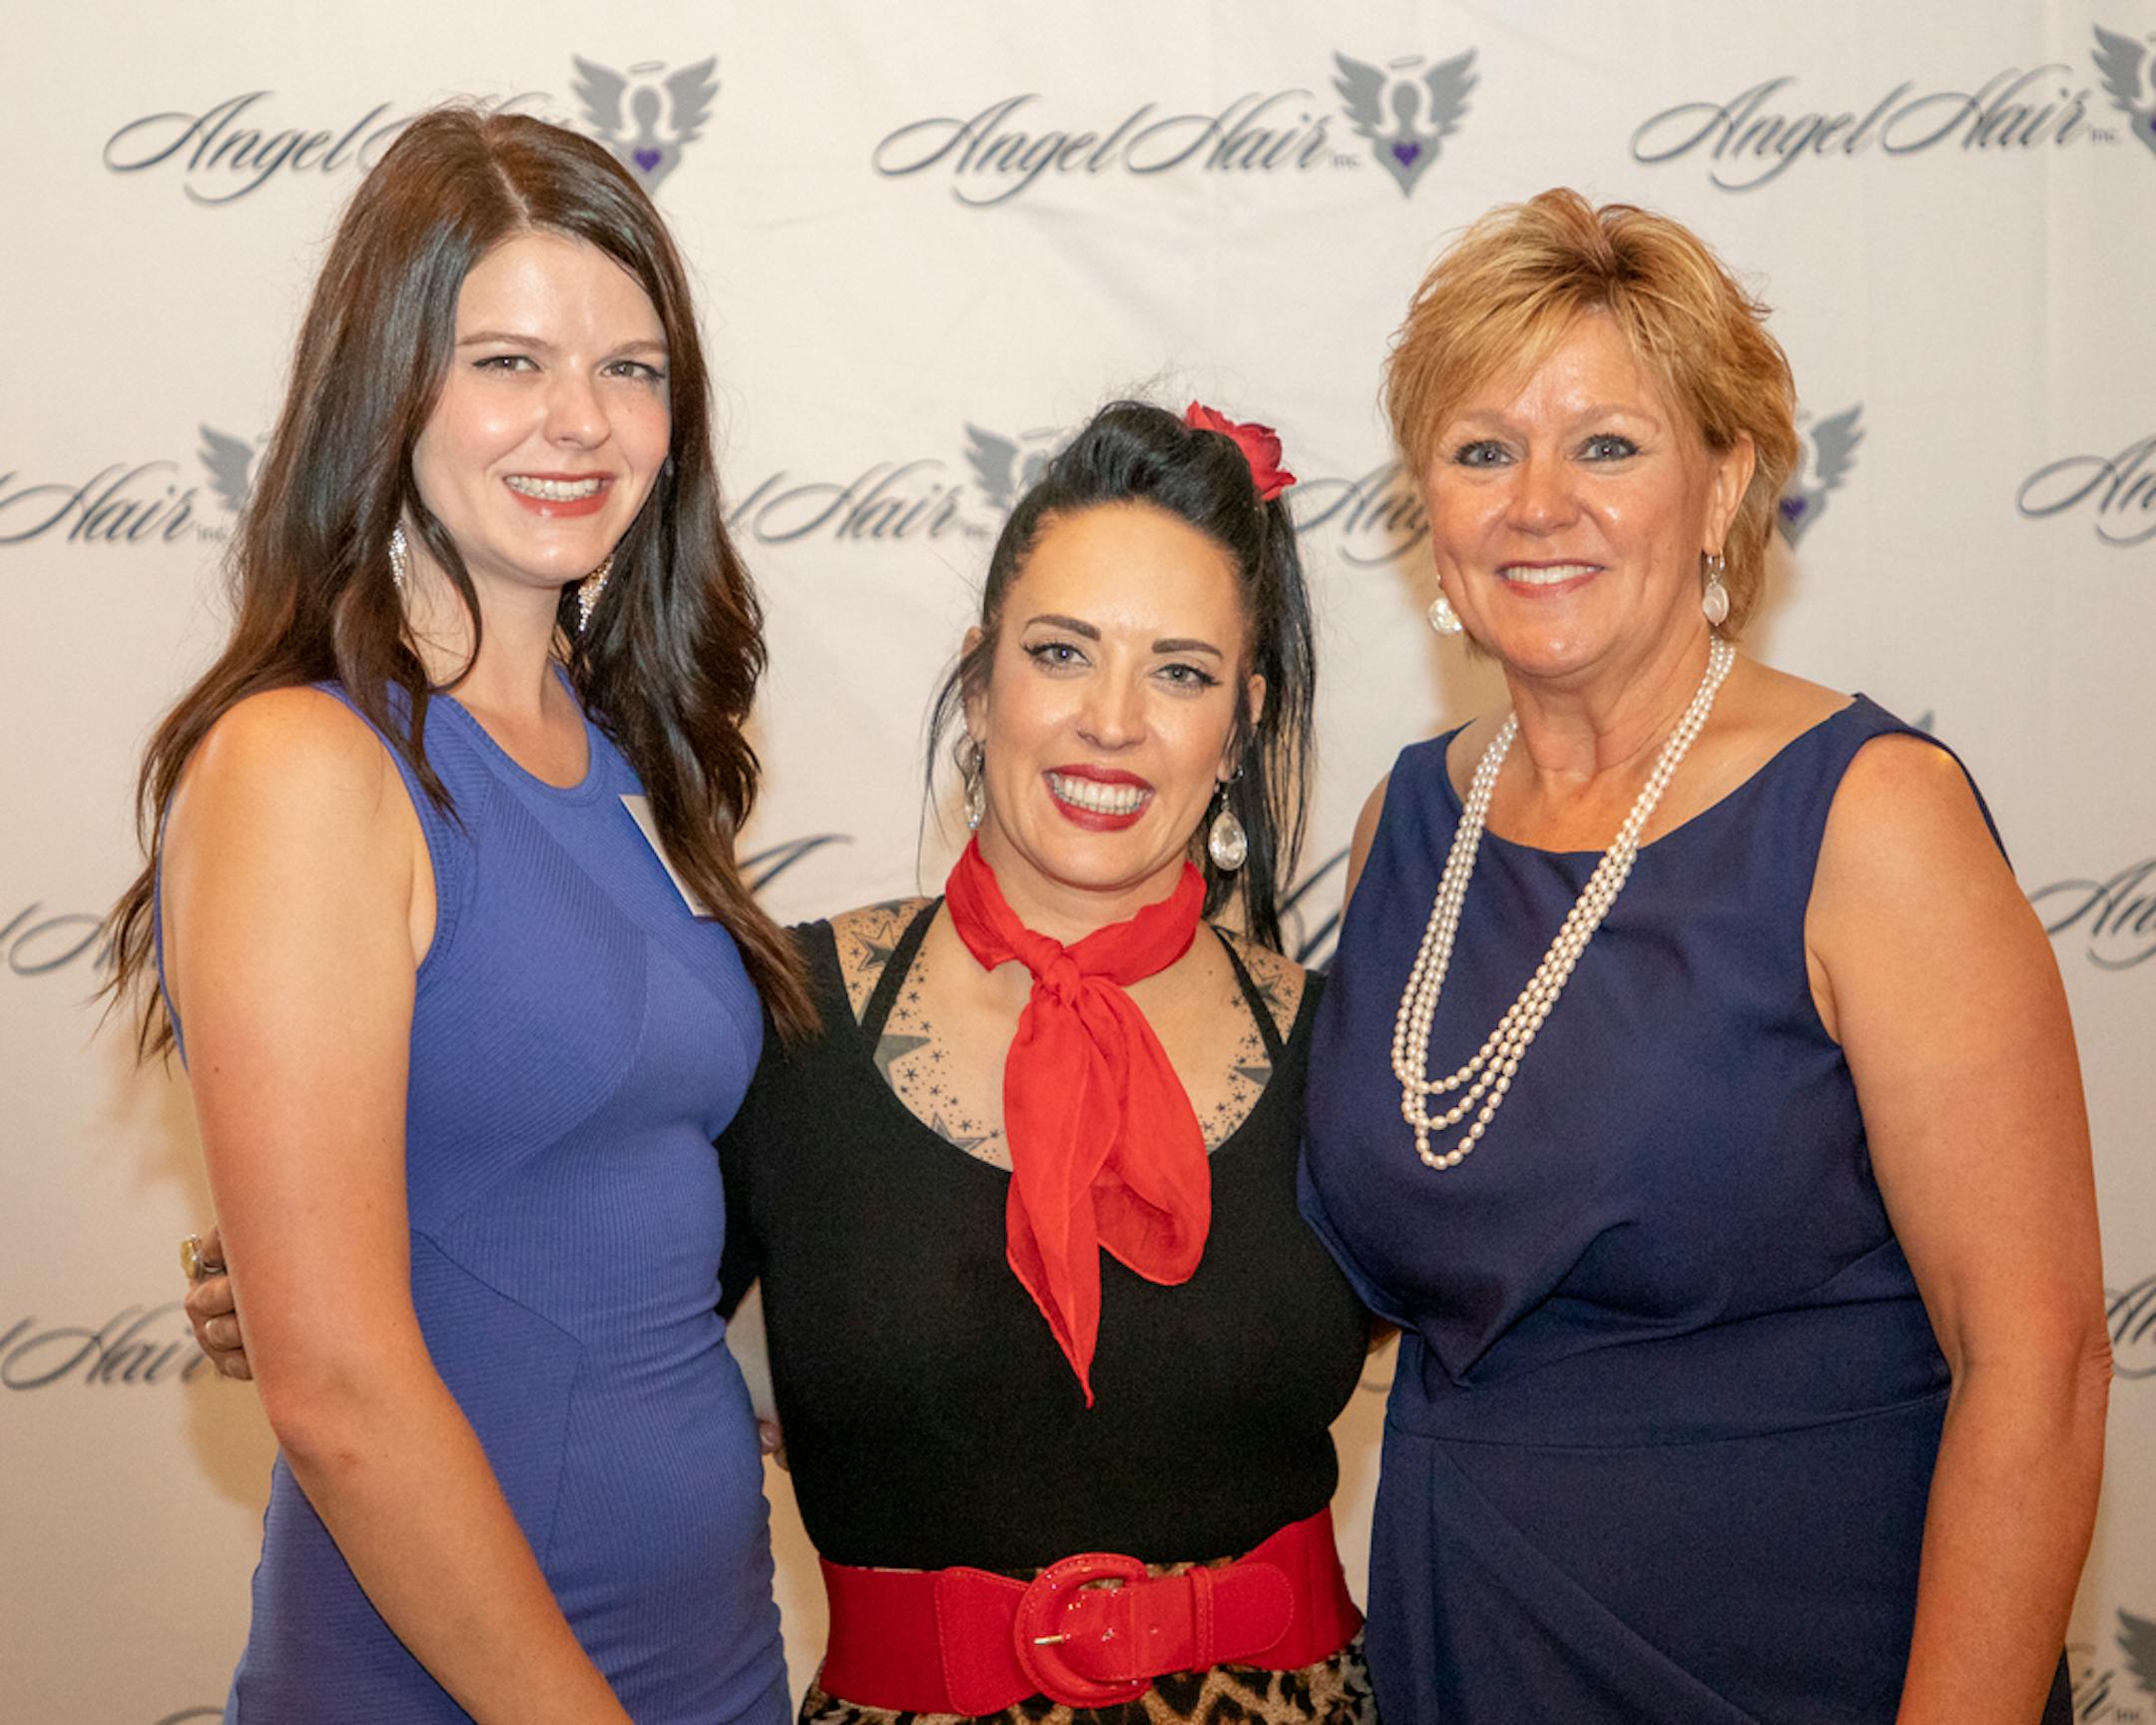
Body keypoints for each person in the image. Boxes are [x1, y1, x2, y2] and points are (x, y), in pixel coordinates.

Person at [191, 399, 1380, 1724]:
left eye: (1179, 671)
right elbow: (578, 1269)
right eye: (1061, 652)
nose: (1111, 720)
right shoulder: (780, 1015)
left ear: (1243, 718)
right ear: (982, 681)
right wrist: (310, 1274)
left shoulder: (1350, 1052)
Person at [1297, 188, 2111, 1724]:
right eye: (1484, 450)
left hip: (1804, 1664)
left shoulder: (1873, 816)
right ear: (1430, 506)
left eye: (1608, 444)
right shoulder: (1407, 824)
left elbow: (2041, 1364)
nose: (1539, 501)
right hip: (1470, 1646)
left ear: (1726, 484)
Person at [110, 109, 809, 1724]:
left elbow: (603, 1206)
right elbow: (342, 1389)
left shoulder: (637, 749)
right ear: (389, 383)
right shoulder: (306, 763)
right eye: (509, 361)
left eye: (633, 371)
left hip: (709, 1662)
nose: (582, 422)